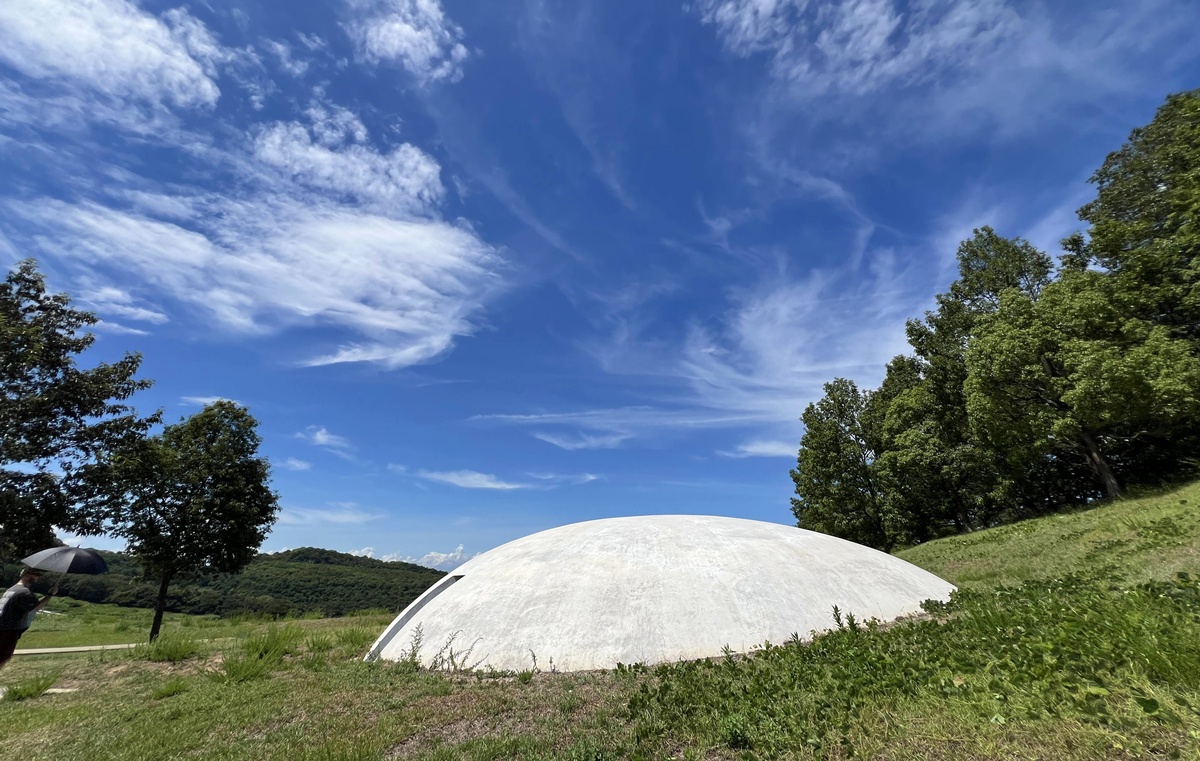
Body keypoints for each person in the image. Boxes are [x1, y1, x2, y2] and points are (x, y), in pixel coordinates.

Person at [0, 568, 57, 673]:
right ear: (26, 575)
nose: (37, 577)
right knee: (3, 657)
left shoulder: (11, 589)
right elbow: (37, 607)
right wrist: (50, 594)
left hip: (3, 627)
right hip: (9, 630)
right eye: (35, 574)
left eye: (39, 575)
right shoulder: (24, 592)